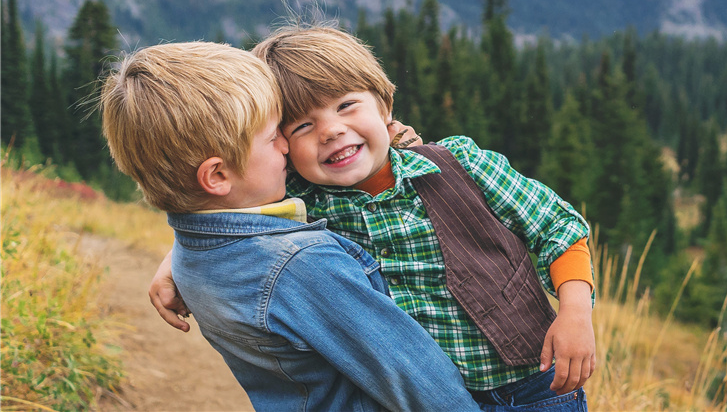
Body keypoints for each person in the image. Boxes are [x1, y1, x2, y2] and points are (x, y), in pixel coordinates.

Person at [151, 27, 596, 411]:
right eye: (302, 127)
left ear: (385, 106)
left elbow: (559, 227)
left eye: (346, 105)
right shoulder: (306, 197)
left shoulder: (462, 164)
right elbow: (239, 218)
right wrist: (176, 257)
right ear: (283, 147)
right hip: (423, 398)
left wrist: (575, 312)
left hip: (534, 388)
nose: (330, 130)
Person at [100, 41, 483, 412]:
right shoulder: (303, 267)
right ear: (217, 175)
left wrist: (174, 255)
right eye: (272, 138)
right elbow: (416, 379)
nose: (287, 147)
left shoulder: (196, 254)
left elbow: (220, 225)